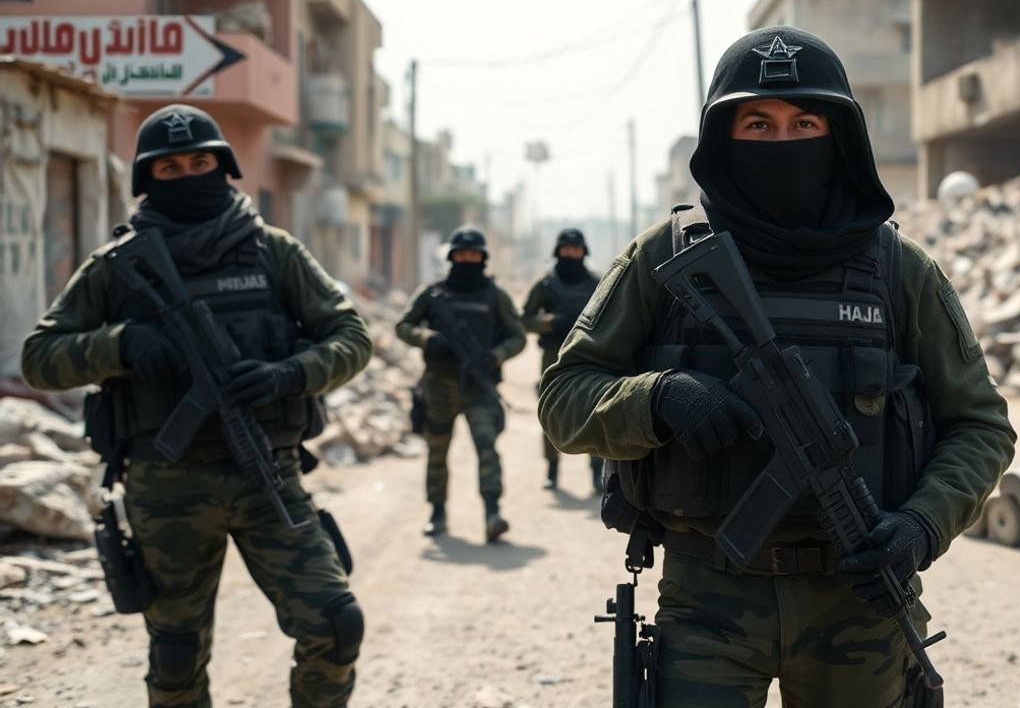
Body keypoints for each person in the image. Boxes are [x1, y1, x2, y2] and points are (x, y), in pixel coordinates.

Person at [538, 26, 1016, 706]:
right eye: (757, 123)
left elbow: (980, 426)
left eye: (805, 122)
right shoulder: (665, 256)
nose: (782, 142)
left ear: (840, 134)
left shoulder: (897, 271)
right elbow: (564, 399)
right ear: (722, 137)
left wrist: (919, 525)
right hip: (707, 596)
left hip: (860, 600)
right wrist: (658, 396)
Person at [21, 104, 372, 708]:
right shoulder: (116, 267)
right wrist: (122, 344)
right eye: (171, 166)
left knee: (335, 623)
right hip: (165, 483)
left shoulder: (272, 252)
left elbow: (351, 338)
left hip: (268, 472)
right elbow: (39, 357)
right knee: (177, 655)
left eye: (200, 162)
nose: (187, 174)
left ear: (224, 166)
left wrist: (289, 374)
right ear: (147, 179)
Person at [396, 226, 526, 541]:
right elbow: (404, 326)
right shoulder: (433, 293)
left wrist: (495, 356)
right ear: (452, 256)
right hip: (439, 384)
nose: (467, 259)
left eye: (473, 255)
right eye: (461, 254)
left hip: (479, 386)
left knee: (486, 447)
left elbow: (517, 336)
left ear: (482, 258)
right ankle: (437, 512)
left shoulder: (495, 295)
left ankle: (493, 512)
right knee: (437, 449)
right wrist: (428, 339)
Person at [520, 228, 603, 491]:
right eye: (567, 250)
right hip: (553, 357)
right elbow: (525, 320)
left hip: (590, 356)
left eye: (576, 250)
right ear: (558, 251)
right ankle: (552, 468)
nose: (571, 254)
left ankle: (597, 470)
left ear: (583, 252)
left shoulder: (597, 283)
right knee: (552, 411)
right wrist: (551, 321)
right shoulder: (545, 283)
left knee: (594, 411)